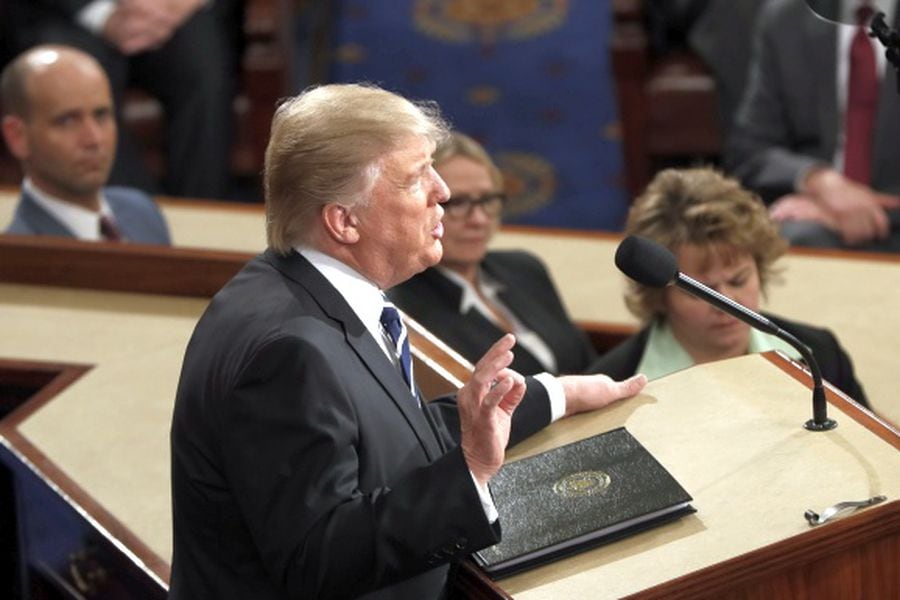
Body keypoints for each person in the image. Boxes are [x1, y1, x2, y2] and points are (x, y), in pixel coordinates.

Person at [168, 83, 647, 599]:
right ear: (345, 220)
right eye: (417, 176)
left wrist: (556, 395)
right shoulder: (290, 349)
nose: (442, 191)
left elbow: (386, 442)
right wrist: (472, 472)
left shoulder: (288, 288)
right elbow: (318, 557)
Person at [593, 167, 868, 407]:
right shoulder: (612, 387)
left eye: (738, 280)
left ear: (759, 269)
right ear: (659, 296)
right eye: (699, 290)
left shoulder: (820, 355)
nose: (726, 303)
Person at [388, 131, 600, 376]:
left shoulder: (524, 268)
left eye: (487, 199)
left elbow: (588, 364)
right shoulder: (403, 305)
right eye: (457, 203)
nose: (478, 219)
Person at [2, 0, 242, 199]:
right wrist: (103, 15)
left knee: (204, 67)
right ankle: (132, 229)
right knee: (70, 81)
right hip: (63, 14)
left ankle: (201, 218)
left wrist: (175, 5)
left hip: (174, 10)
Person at [725, 0, 900, 251]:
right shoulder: (789, 17)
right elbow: (749, 148)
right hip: (814, 224)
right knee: (795, 238)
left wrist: (850, 210)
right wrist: (819, 182)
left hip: (889, 216)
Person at [0, 45, 170, 244]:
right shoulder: (19, 260)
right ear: (18, 137)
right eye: (67, 121)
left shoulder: (143, 212)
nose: (94, 139)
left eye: (101, 115)